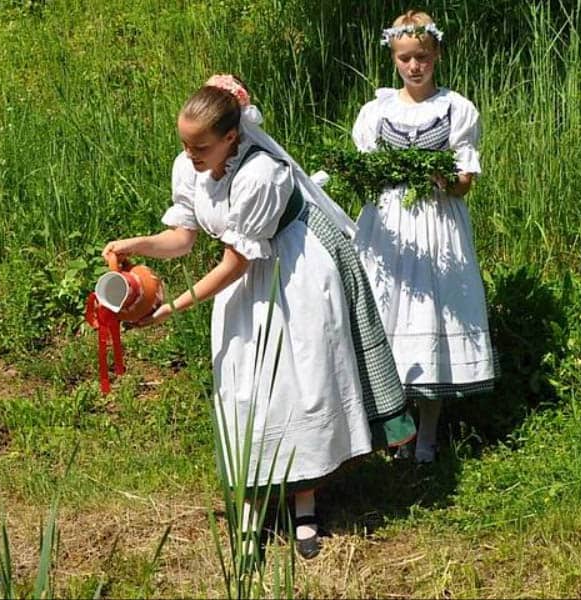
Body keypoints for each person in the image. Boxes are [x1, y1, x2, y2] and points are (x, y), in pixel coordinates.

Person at [102, 74, 414, 559]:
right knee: (244, 390)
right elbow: (183, 238)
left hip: (293, 277)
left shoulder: (262, 174)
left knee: (298, 386)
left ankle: (305, 506)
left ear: (232, 136)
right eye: (184, 144)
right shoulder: (191, 168)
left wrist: (172, 308)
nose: (190, 154)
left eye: (200, 146)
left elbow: (236, 261)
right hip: (245, 283)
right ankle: (251, 505)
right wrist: (134, 245)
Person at [351, 11, 497, 464]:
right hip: (388, 225)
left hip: (435, 224)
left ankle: (428, 438)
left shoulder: (456, 109)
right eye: (405, 58)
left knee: (431, 313)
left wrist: (442, 178)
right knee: (386, 313)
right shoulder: (377, 112)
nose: (414, 66)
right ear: (393, 58)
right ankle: (395, 431)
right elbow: (366, 173)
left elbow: (464, 183)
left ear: (437, 55)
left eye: (423, 57)